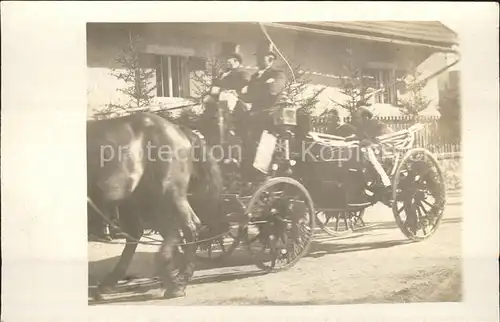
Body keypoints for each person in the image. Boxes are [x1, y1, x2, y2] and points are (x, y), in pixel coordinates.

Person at [237, 43, 287, 184]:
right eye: (257, 57)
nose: (258, 60)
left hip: (268, 119)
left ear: (270, 59)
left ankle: (262, 176)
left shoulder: (278, 74)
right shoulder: (255, 77)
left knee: (261, 147)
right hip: (253, 118)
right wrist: (260, 87)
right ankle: (244, 176)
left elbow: (272, 91)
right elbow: (245, 96)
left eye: (261, 57)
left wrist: (252, 91)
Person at [200, 52, 250, 145]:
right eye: (226, 59)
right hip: (217, 102)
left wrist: (232, 91)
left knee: (225, 99)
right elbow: (213, 88)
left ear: (236, 61)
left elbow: (245, 87)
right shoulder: (222, 74)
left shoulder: (242, 73)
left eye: (229, 59)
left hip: (233, 103)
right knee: (207, 104)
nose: (226, 61)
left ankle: (227, 132)